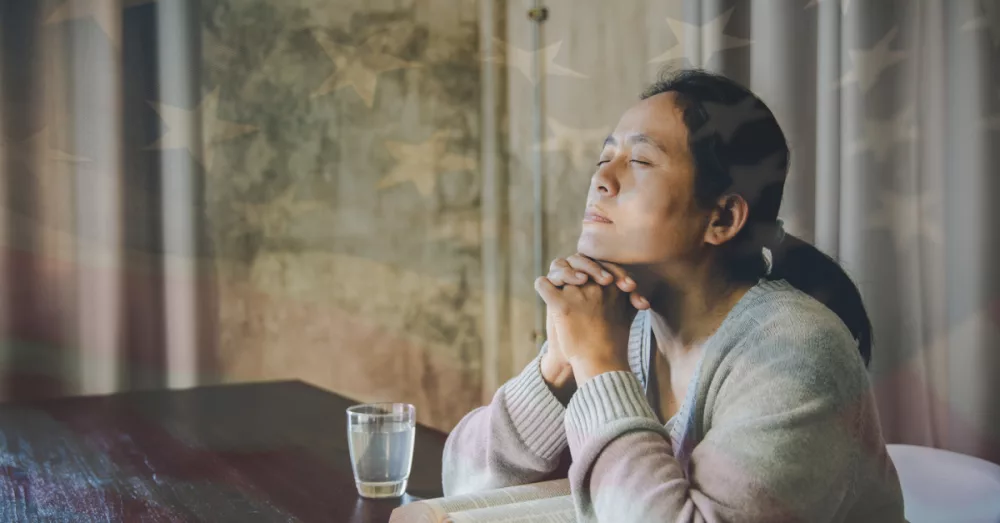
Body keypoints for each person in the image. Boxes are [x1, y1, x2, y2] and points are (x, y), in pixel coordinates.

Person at [442, 69, 905, 522]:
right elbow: (462, 482)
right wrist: (559, 365)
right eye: (604, 157)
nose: (602, 179)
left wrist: (601, 369)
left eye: (639, 161)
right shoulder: (623, 320)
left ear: (722, 218)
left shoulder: (799, 350)